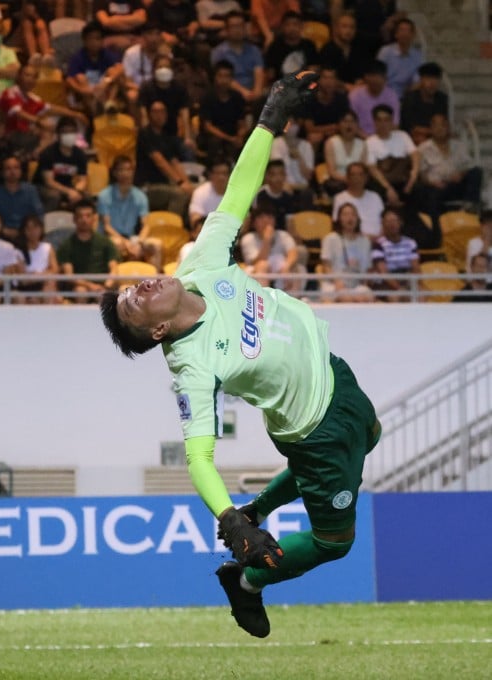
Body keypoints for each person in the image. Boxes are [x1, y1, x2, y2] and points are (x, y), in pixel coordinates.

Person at [99, 71, 382, 639]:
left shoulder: (200, 262)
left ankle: (261, 506)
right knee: (335, 543)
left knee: (371, 434)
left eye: (133, 286)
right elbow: (199, 457)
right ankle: (245, 582)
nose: (142, 286)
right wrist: (229, 521)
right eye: (135, 303)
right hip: (312, 431)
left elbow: (240, 190)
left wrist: (269, 120)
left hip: (334, 374)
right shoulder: (192, 366)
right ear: (157, 332)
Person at [417, 113, 483, 219]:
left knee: (476, 172)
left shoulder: (458, 145)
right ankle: (438, 224)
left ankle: (470, 207)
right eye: (436, 126)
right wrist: (432, 183)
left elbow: (468, 165)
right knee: (428, 194)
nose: (440, 129)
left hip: (456, 184)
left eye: (443, 125)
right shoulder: (423, 149)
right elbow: (421, 175)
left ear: (448, 128)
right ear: (431, 129)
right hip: (436, 187)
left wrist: (461, 174)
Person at [57, 199, 119, 301]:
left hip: (102, 285)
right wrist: (90, 285)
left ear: (94, 218)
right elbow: (69, 275)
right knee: (81, 292)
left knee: (104, 295)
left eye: (88, 216)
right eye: (80, 216)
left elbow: (114, 269)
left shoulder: (105, 242)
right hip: (80, 286)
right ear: (74, 219)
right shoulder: (66, 245)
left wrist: (106, 286)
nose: (84, 220)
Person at [97, 156, 154, 264]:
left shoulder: (140, 196)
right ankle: (116, 275)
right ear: (114, 173)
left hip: (131, 237)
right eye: (121, 170)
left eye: (128, 170)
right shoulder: (104, 195)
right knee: (118, 243)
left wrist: (139, 242)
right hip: (110, 236)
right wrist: (126, 242)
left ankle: (155, 275)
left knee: (156, 245)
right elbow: (107, 227)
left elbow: (146, 225)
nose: (125, 173)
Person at [365, 103, 419, 210]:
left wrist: (413, 177)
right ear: (374, 122)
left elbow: (415, 155)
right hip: (383, 182)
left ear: (392, 121)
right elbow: (372, 169)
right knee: (374, 189)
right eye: (379, 120)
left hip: (404, 179)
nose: (383, 124)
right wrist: (388, 189)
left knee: (419, 189)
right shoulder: (369, 142)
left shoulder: (403, 136)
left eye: (386, 120)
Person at [319, 202, 375, 302]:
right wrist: (337, 281)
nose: (350, 218)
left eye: (353, 214)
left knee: (366, 297)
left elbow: (366, 270)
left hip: (356, 285)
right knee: (346, 298)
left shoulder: (365, 241)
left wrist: (365, 283)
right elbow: (326, 266)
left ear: (358, 219)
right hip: (334, 284)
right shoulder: (330, 238)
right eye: (345, 214)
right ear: (339, 218)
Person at [239, 206, 304, 292]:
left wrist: (287, 267)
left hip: (281, 269)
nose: (266, 221)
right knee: (263, 265)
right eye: (261, 217)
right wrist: (267, 240)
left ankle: (293, 298)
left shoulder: (283, 235)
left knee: (296, 268)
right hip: (255, 271)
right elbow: (257, 261)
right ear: (253, 223)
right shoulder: (248, 238)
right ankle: (263, 298)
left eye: (270, 217)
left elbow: (293, 254)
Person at [210, 10, 266, 105]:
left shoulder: (254, 50)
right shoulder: (218, 52)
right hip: (230, 93)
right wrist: (243, 92)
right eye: (233, 26)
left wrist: (257, 92)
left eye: (240, 26)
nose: (237, 30)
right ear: (226, 30)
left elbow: (259, 73)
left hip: (253, 93)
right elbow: (223, 79)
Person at [35, 117, 89, 211]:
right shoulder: (48, 153)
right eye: (65, 132)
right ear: (58, 134)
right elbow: (49, 182)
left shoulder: (79, 154)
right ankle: (44, 219)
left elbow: (83, 179)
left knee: (86, 197)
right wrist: (69, 191)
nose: (69, 135)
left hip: (66, 186)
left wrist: (77, 191)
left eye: (72, 132)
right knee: (54, 196)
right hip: (43, 187)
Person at [0, 155, 44, 240]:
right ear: (2, 172)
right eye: (8, 168)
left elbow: (39, 215)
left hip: (26, 235)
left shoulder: (31, 190)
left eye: (16, 168)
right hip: (1, 235)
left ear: (21, 171)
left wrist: (27, 231)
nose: (12, 172)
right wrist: (3, 230)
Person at [371, 207, 420, 301]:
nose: (391, 224)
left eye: (394, 220)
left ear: (400, 222)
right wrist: (400, 289)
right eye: (388, 221)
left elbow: (416, 268)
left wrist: (412, 286)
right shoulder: (378, 244)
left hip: (407, 280)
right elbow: (384, 273)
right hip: (387, 284)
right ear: (383, 224)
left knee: (422, 295)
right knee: (397, 297)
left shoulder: (410, 243)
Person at [332, 162, 384, 240]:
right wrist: (363, 239)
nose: (357, 178)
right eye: (353, 175)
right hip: (353, 241)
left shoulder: (375, 197)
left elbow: (384, 222)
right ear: (347, 178)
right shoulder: (340, 198)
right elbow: (338, 225)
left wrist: (379, 239)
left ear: (366, 178)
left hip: (378, 241)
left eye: (360, 174)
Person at [400, 62, 449, 144]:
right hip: (412, 140)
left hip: (436, 139)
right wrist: (435, 131)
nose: (432, 83)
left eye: (436, 79)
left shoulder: (442, 98)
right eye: (428, 78)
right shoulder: (410, 99)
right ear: (421, 80)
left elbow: (444, 124)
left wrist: (438, 132)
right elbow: (412, 128)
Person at [15, 213, 60, 302]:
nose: (32, 232)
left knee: (50, 285)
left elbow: (54, 269)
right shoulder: (18, 251)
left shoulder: (48, 247)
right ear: (24, 231)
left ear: (41, 229)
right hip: (27, 288)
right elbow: (23, 279)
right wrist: (42, 275)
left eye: (35, 227)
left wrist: (38, 275)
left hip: (45, 284)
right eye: (28, 228)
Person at [322, 111, 369, 197]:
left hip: (358, 181)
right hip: (338, 181)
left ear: (357, 125)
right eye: (345, 121)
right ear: (339, 125)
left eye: (352, 121)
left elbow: (364, 170)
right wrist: (349, 180)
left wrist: (356, 180)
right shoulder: (330, 142)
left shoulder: (363, 144)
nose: (348, 125)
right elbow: (332, 171)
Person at [348, 61, 399, 137]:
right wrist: (369, 139)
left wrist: (379, 140)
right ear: (366, 77)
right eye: (372, 76)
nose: (375, 81)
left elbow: (395, 124)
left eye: (379, 77)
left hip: (385, 138)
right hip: (361, 138)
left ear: (385, 79)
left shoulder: (392, 96)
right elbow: (351, 124)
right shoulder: (355, 96)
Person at [376, 17, 422, 99]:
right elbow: (378, 75)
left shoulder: (417, 55)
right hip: (384, 94)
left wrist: (408, 93)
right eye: (402, 30)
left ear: (413, 35)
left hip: (407, 96)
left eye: (408, 31)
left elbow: (417, 80)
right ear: (396, 34)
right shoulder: (385, 51)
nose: (405, 34)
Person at [188, 158, 231, 227]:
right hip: (206, 231)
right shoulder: (200, 192)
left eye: (224, 173)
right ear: (210, 175)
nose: (221, 177)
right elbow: (195, 220)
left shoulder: (237, 193)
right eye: (217, 173)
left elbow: (245, 221)